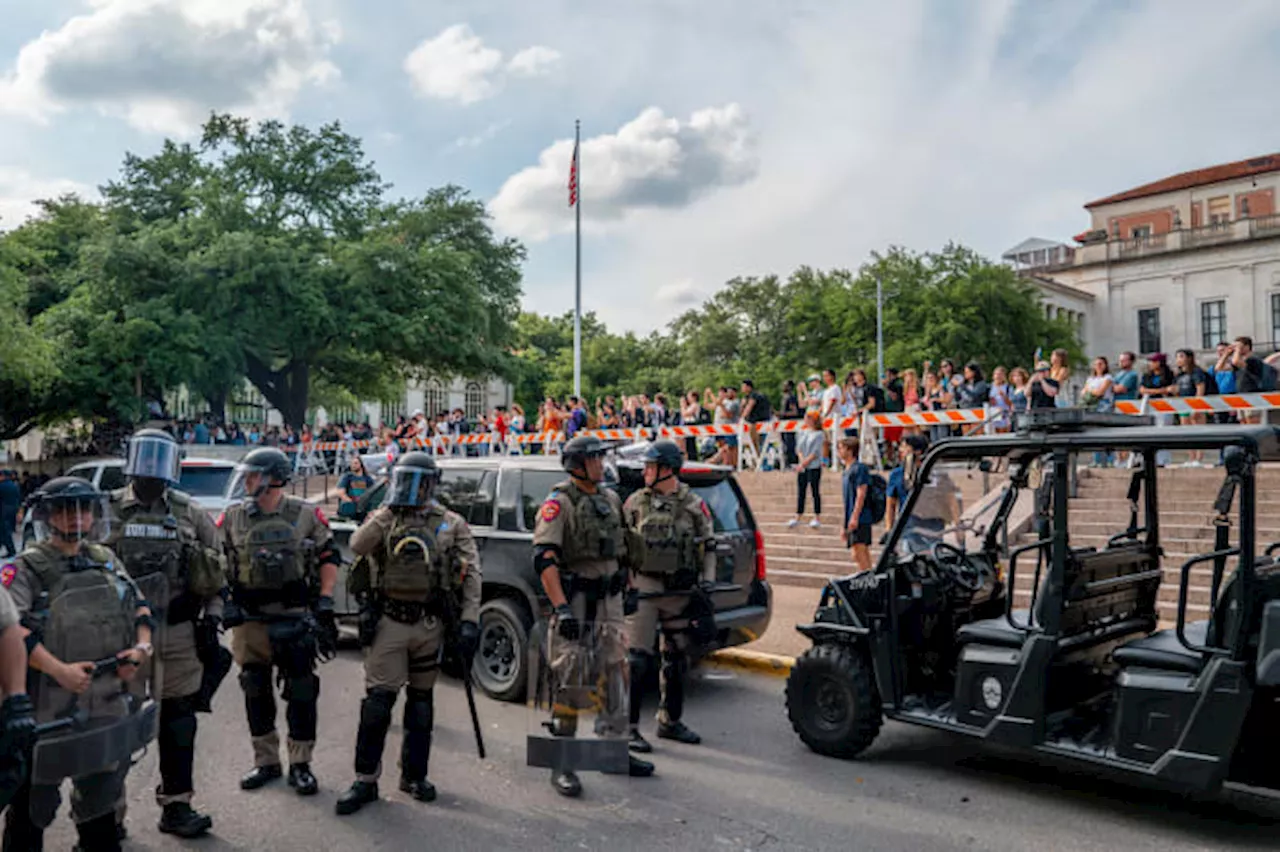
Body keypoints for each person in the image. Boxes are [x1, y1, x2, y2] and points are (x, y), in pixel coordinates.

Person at [3, 478, 154, 852]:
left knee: (100, 812)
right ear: (46, 516)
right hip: (45, 709)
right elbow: (12, 630)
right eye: (64, 509)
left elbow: (140, 607)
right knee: (29, 813)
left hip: (104, 703)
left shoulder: (106, 559)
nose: (75, 517)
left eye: (83, 508)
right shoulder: (26, 568)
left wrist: (140, 651)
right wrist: (58, 670)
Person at [336, 452, 481, 815]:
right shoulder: (385, 518)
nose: (413, 489)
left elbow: (472, 572)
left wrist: (469, 620)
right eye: (407, 480)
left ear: (433, 484)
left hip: (430, 623)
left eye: (420, 481)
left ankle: (414, 775)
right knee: (377, 704)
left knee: (421, 704)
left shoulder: (450, 522)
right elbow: (356, 545)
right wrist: (387, 510)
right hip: (389, 622)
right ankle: (365, 780)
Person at [105, 429, 227, 838]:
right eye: (146, 458)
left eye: (161, 460)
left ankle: (176, 807)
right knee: (116, 727)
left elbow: (216, 570)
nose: (152, 471)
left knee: (178, 725)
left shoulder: (189, 512)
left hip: (176, 634)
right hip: (122, 638)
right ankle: (107, 816)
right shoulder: (108, 511)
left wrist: (211, 618)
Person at [531, 435, 653, 798]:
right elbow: (544, 559)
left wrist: (628, 587)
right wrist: (562, 606)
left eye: (601, 458)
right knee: (571, 677)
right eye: (595, 459)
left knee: (619, 671)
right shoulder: (559, 503)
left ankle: (613, 750)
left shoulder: (610, 498)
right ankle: (562, 763)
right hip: (577, 600)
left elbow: (622, 550)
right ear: (577, 464)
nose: (602, 464)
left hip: (610, 601)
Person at [220, 448, 339, 797]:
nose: (246, 481)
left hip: (294, 617)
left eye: (253, 475)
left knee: (302, 691)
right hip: (251, 621)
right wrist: (224, 602)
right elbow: (217, 560)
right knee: (255, 689)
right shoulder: (233, 518)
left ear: (273, 478)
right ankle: (266, 761)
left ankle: (301, 765)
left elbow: (328, 554)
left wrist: (326, 600)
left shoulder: (304, 515)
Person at [624, 440, 716, 754]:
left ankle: (669, 721)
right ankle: (630, 728)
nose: (645, 471)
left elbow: (709, 544)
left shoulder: (692, 504)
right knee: (636, 661)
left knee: (676, 657)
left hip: (679, 590)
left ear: (667, 470)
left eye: (650, 466)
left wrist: (707, 584)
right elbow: (621, 545)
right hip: (645, 589)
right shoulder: (635, 502)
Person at [839, 438, 874, 573]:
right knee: (860, 552)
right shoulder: (846, 471)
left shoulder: (859, 468)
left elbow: (861, 493)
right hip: (852, 517)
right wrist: (845, 524)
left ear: (850, 450)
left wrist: (855, 517)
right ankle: (869, 578)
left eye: (841, 448)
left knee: (859, 552)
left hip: (861, 517)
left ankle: (867, 579)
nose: (839, 452)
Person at [885, 434, 929, 530]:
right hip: (907, 525)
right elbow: (891, 504)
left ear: (918, 451)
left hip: (931, 523)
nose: (901, 450)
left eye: (905, 447)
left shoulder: (932, 472)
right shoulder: (897, 474)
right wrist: (889, 529)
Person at [789, 412, 825, 529]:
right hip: (803, 466)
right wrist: (801, 462)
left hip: (814, 466)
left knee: (815, 491)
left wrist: (804, 463)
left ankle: (817, 516)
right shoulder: (802, 432)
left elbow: (815, 453)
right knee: (801, 491)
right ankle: (798, 515)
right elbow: (799, 449)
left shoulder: (819, 434)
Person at [778, 381, 802, 469]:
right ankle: (786, 462)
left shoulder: (791, 398)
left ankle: (792, 462)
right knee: (784, 443)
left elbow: (794, 412)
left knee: (790, 443)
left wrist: (782, 414)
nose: (783, 387)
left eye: (785, 385)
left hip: (789, 424)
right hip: (783, 424)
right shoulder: (784, 397)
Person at [0, 471, 19, 558]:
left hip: (3, 511)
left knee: (5, 531)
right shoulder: (14, 485)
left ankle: (11, 550)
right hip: (12, 510)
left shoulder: (1, 486)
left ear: (3, 476)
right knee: (5, 531)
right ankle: (10, 550)